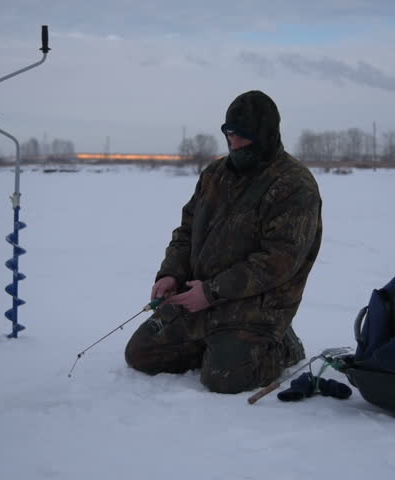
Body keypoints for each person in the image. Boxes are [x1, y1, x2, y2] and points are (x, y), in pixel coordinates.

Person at [124, 90, 323, 394]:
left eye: (243, 136)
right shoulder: (215, 174)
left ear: (265, 135)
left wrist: (212, 291)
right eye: (230, 134)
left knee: (223, 378)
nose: (234, 143)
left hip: (256, 306)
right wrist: (171, 274)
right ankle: (217, 345)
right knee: (140, 353)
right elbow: (186, 231)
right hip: (199, 299)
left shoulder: (294, 184)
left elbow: (278, 261)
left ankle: (282, 346)